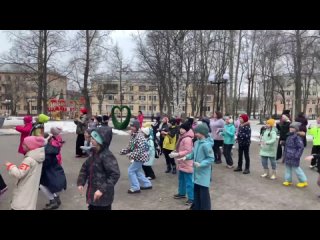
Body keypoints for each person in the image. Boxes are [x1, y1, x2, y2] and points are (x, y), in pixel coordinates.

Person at [77, 127, 120, 210]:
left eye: (94, 138)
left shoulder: (107, 156)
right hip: (92, 193)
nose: (91, 140)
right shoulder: (93, 152)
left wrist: (101, 190)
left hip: (103, 198)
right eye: (91, 137)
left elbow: (115, 174)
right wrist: (81, 182)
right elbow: (85, 167)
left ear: (101, 141)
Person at [178, 123, 214, 210]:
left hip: (203, 174)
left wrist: (201, 164)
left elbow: (211, 158)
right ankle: (196, 207)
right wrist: (186, 157)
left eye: (197, 132)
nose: (195, 134)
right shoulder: (197, 142)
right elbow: (193, 154)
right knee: (196, 192)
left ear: (202, 133)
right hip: (196, 173)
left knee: (204, 194)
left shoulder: (206, 145)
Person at [5, 136, 45, 210]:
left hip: (24, 190)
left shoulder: (29, 160)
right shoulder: (38, 157)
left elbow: (19, 174)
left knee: (19, 206)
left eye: (24, 144)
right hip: (31, 189)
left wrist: (10, 166)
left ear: (30, 146)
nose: (22, 145)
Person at [120, 120, 152, 194]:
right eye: (131, 126)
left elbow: (140, 149)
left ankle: (136, 187)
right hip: (139, 156)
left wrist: (131, 155)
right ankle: (147, 184)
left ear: (137, 127)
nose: (131, 128)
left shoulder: (139, 136)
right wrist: (124, 151)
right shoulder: (134, 135)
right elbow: (131, 146)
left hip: (141, 156)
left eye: (133, 126)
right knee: (136, 171)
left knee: (131, 170)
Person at [169, 122, 194, 206]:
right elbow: (180, 148)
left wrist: (177, 154)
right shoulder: (182, 137)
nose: (181, 130)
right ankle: (182, 193)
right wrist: (175, 152)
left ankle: (191, 198)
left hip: (187, 162)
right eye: (180, 128)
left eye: (183, 128)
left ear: (186, 129)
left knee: (189, 182)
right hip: (182, 162)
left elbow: (188, 151)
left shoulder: (187, 139)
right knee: (181, 179)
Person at [40, 133, 67, 210]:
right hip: (55, 172)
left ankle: (53, 201)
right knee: (47, 186)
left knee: (42, 185)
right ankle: (56, 199)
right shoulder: (50, 148)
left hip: (51, 174)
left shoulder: (46, 151)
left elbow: (45, 164)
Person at [282, 122, 308, 188]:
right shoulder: (289, 136)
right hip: (288, 156)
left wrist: (297, 155)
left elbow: (300, 147)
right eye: (290, 127)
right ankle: (288, 180)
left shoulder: (297, 137)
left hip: (294, 156)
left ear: (296, 129)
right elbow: (288, 145)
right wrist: (284, 143)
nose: (291, 129)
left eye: (293, 128)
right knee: (288, 169)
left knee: (297, 169)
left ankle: (303, 181)